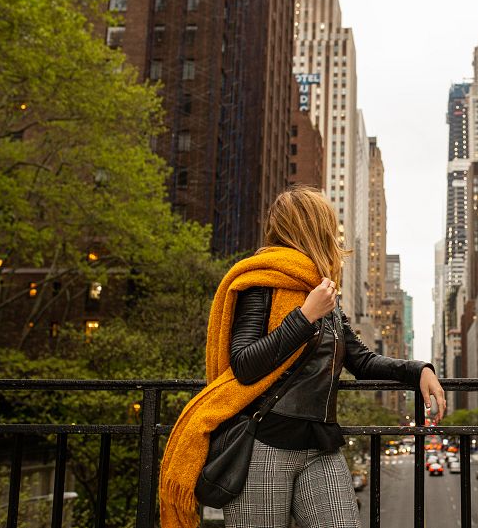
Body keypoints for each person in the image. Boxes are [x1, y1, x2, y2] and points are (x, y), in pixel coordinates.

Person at [158, 185, 445, 528]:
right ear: (311, 229)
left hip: (320, 446)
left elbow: (362, 360)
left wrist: (418, 370)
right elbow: (244, 364)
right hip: (263, 445)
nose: (333, 237)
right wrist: (305, 316)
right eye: (328, 227)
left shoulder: (323, 294)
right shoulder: (262, 283)